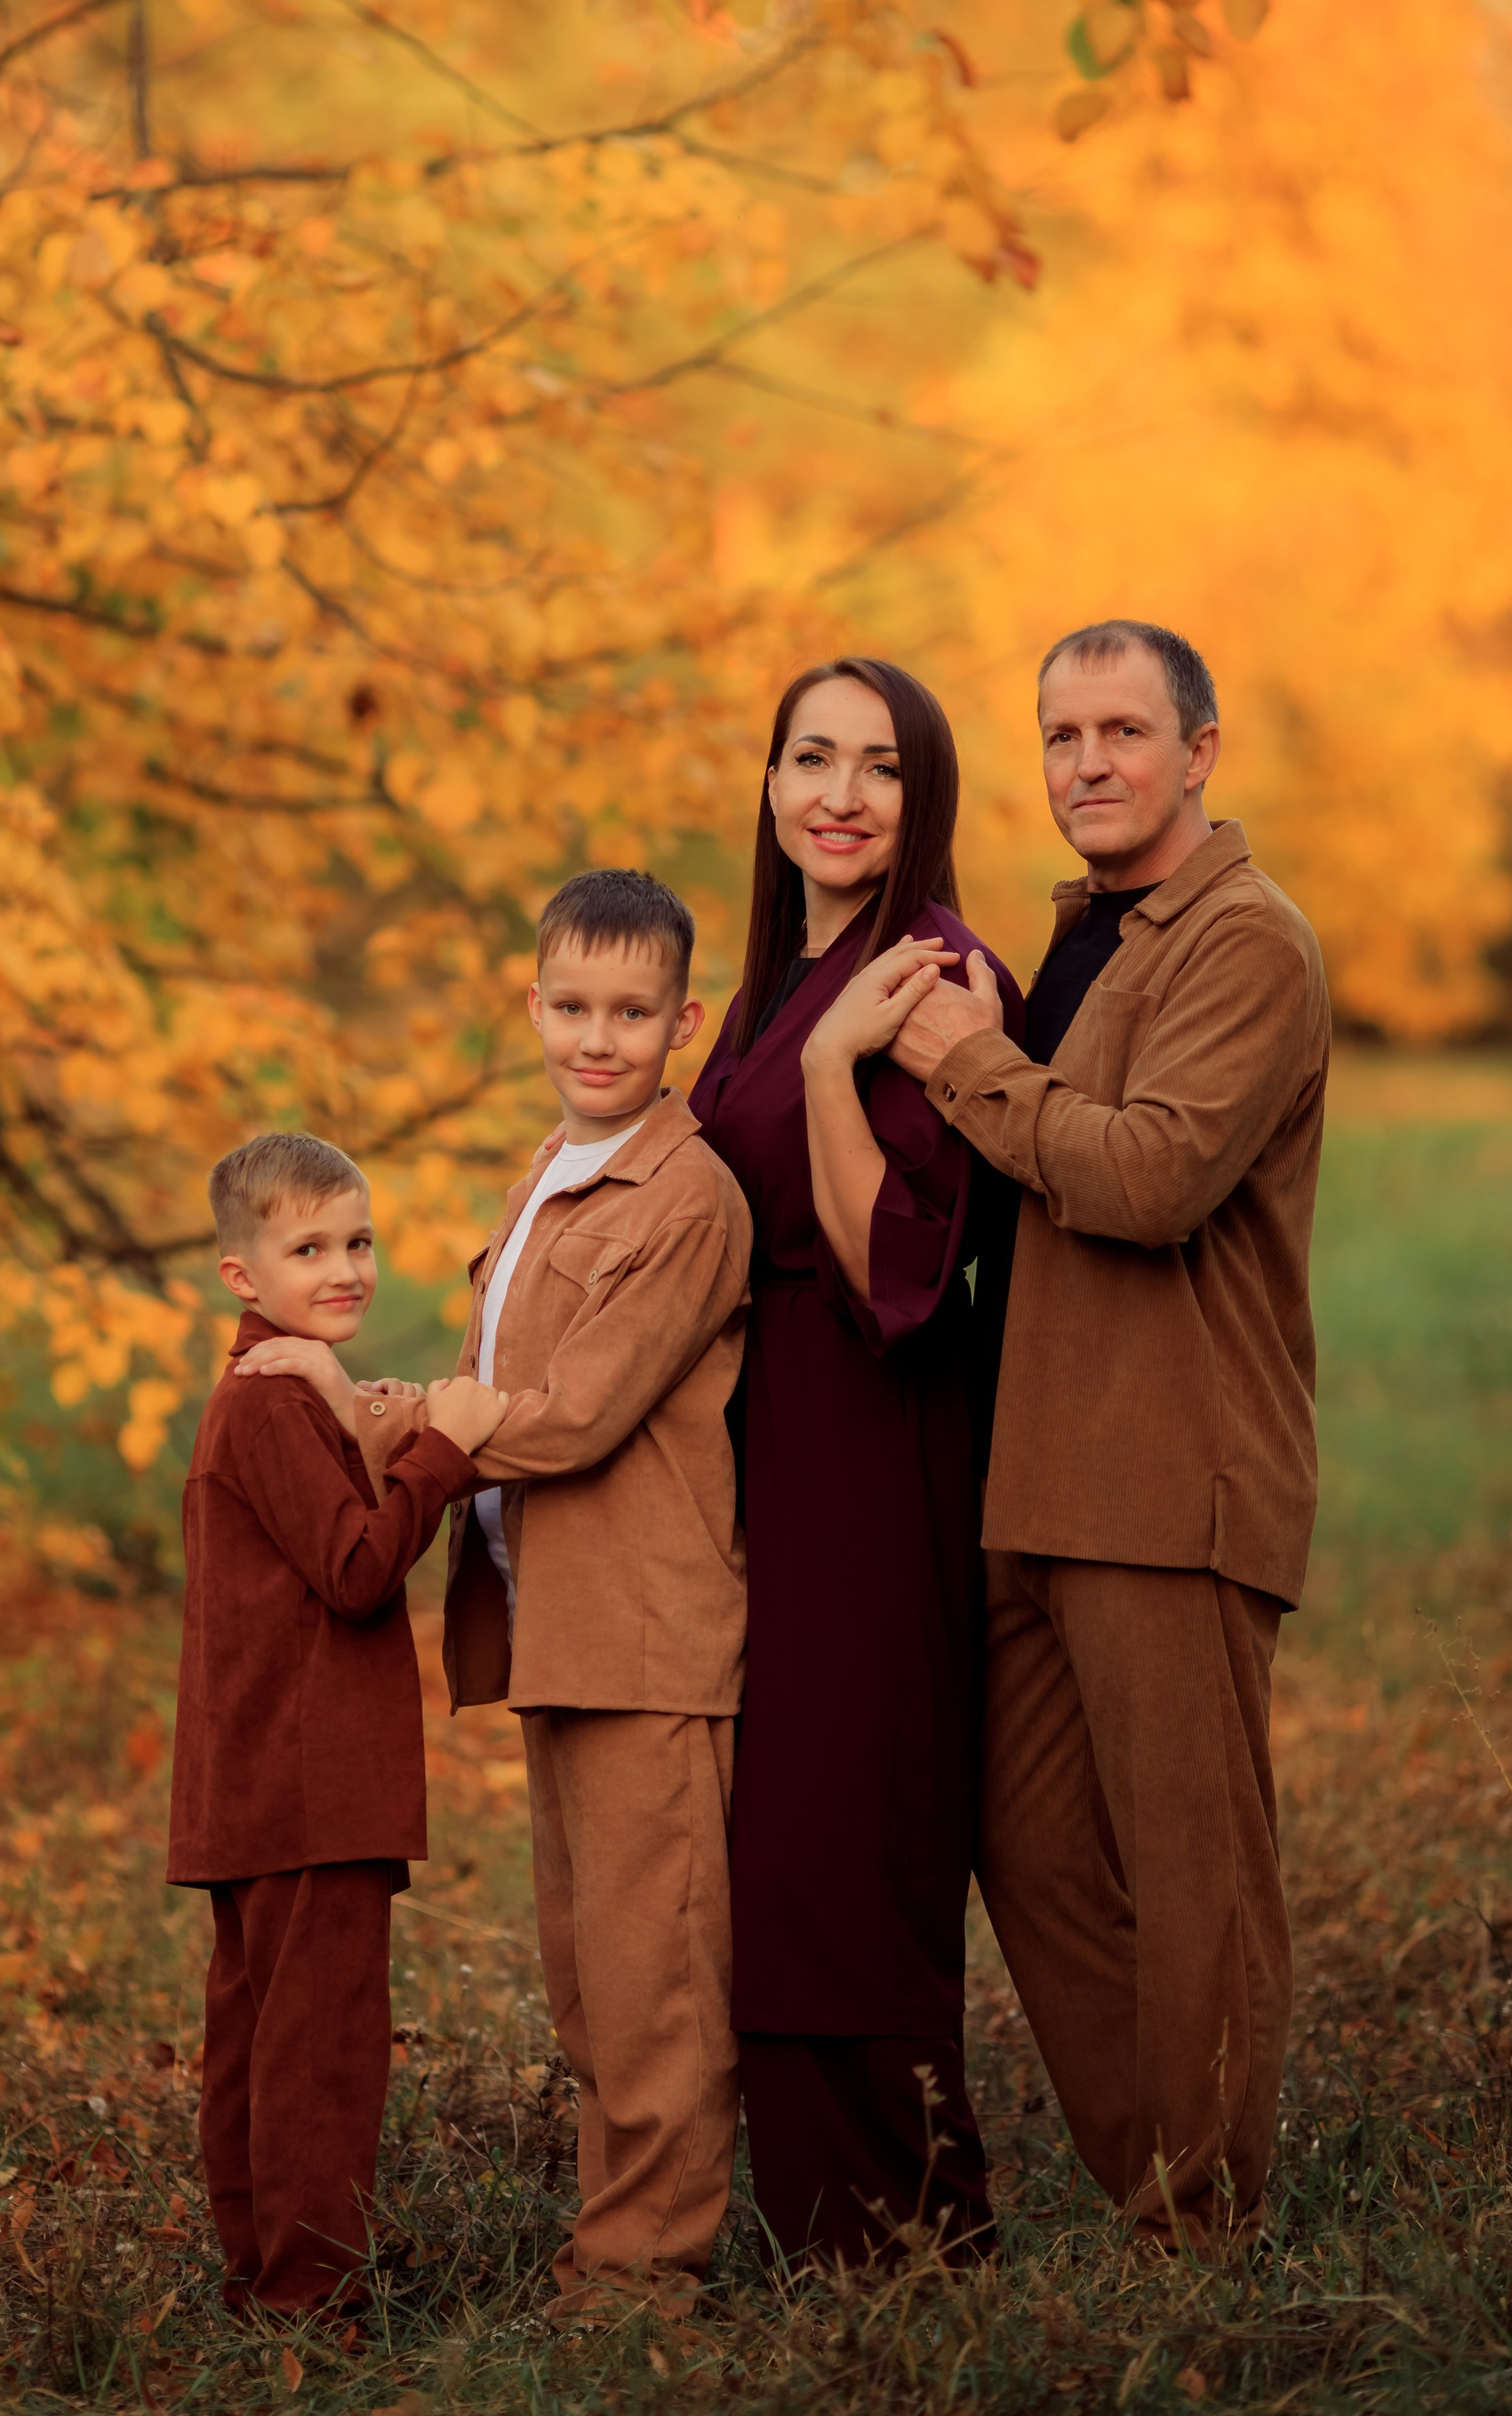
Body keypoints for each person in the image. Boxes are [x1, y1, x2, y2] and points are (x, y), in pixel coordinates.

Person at [889, 618, 1330, 2250]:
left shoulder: (1244, 944)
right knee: (1025, 1845)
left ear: (1197, 752)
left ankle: (1196, 2237)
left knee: (1193, 1879)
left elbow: (1145, 1180)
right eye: (1059, 734)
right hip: (1035, 1474)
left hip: (1172, 1476)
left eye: (1122, 731)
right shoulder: (1087, 934)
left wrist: (966, 1067)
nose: (1086, 763)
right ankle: (1157, 2175)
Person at [689, 657, 1023, 2273]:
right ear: (766, 785)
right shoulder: (772, 976)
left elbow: (894, 1268)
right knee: (777, 1843)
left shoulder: (935, 976)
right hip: (762, 1448)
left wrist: (831, 1072)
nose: (837, 793)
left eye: (876, 767)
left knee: (846, 1836)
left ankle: (905, 2248)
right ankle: (821, 2230)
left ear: (923, 796)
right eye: (809, 759)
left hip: (870, 1449)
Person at [442, 868, 752, 2326]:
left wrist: (388, 1419)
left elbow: (568, 1416)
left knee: (652, 1985)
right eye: (571, 1006)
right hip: (554, 1631)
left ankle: (643, 2285)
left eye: (631, 1013)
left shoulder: (683, 1196)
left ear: (682, 1022)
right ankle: (602, 2250)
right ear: (533, 1006)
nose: (597, 1037)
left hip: (646, 1640)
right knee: (583, 1977)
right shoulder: (549, 1174)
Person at [166, 1129, 506, 2324]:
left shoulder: (281, 1390)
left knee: (263, 2042)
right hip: (309, 1788)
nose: (345, 1268)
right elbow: (357, 1572)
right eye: (307, 1248)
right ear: (241, 1277)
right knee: (317, 2056)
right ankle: (307, 2304)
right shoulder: (268, 1407)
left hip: (266, 1785)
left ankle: (266, 2280)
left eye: (357, 1241)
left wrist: (377, 1432)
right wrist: (445, 1451)